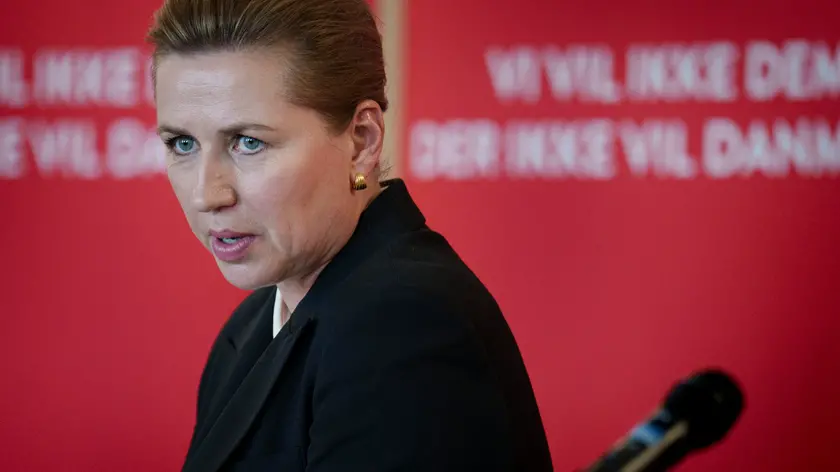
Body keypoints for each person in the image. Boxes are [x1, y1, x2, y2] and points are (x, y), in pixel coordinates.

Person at [147, 0, 553, 470]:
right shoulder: (253, 324)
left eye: (248, 142)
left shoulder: (402, 325)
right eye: (182, 144)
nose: (206, 194)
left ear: (362, 140)